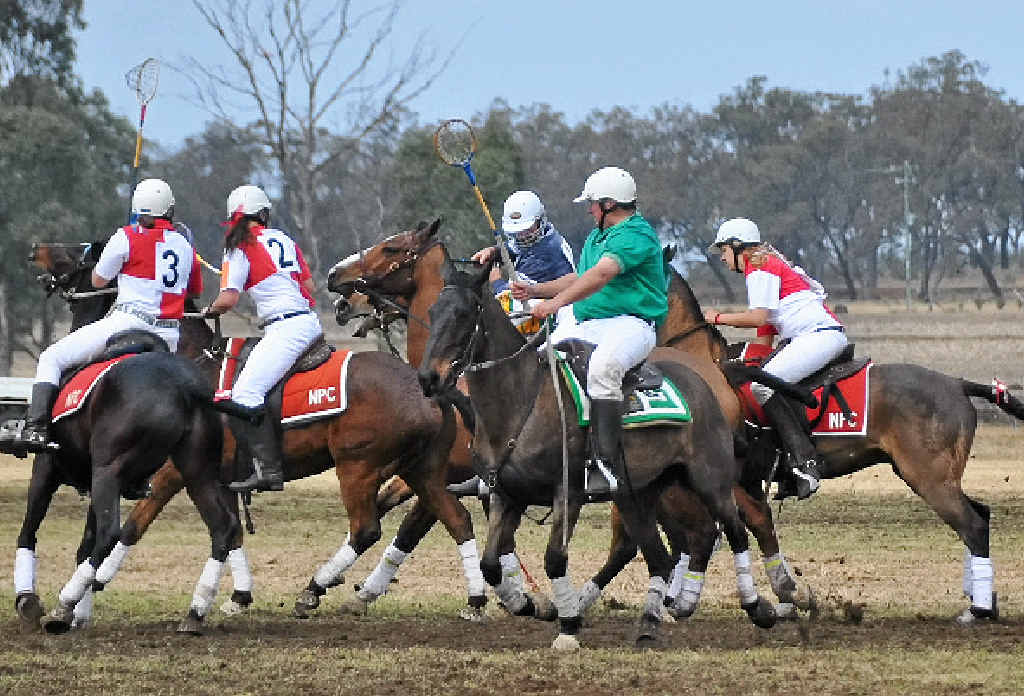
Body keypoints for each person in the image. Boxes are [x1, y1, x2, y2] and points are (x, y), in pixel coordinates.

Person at [510, 167, 667, 501]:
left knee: (602, 370)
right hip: (590, 324)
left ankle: (605, 465)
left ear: (610, 204)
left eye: (593, 204)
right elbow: (578, 277)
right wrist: (535, 290)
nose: (589, 209)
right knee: (536, 364)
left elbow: (600, 276)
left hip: (632, 325)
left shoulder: (636, 234)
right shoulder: (599, 236)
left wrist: (552, 306)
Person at [12, 178, 202, 453]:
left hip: (128, 324)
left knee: (51, 358)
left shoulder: (125, 236)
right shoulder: (186, 248)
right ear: (169, 210)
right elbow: (194, 291)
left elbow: (99, 281)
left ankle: (36, 428)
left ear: (138, 209)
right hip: (169, 337)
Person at [702, 217, 848, 500]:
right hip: (812, 336)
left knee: (762, 387)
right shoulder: (764, 264)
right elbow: (765, 331)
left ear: (737, 247)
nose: (721, 257)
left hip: (818, 336)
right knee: (763, 378)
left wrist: (716, 318)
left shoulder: (758, 266)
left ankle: (805, 462)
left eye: (723, 250)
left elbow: (758, 316)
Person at [204, 184, 323, 493]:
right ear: (264, 214)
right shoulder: (284, 238)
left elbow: (228, 299)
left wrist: (209, 310)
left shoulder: (238, 246)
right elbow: (308, 285)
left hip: (287, 330)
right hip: (308, 322)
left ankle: (269, 471)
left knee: (244, 395)